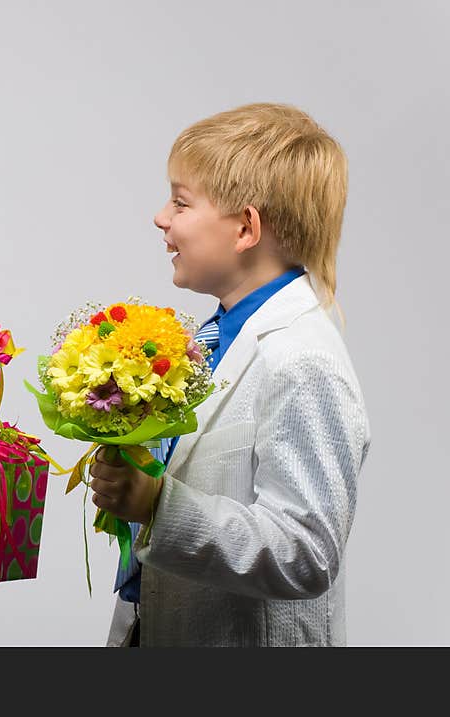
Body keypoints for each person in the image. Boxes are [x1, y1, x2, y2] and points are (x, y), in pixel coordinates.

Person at [90, 103, 370, 647]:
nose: (161, 217)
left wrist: (156, 505)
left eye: (181, 201)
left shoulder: (301, 359)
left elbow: (307, 552)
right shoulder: (213, 341)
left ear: (245, 228)